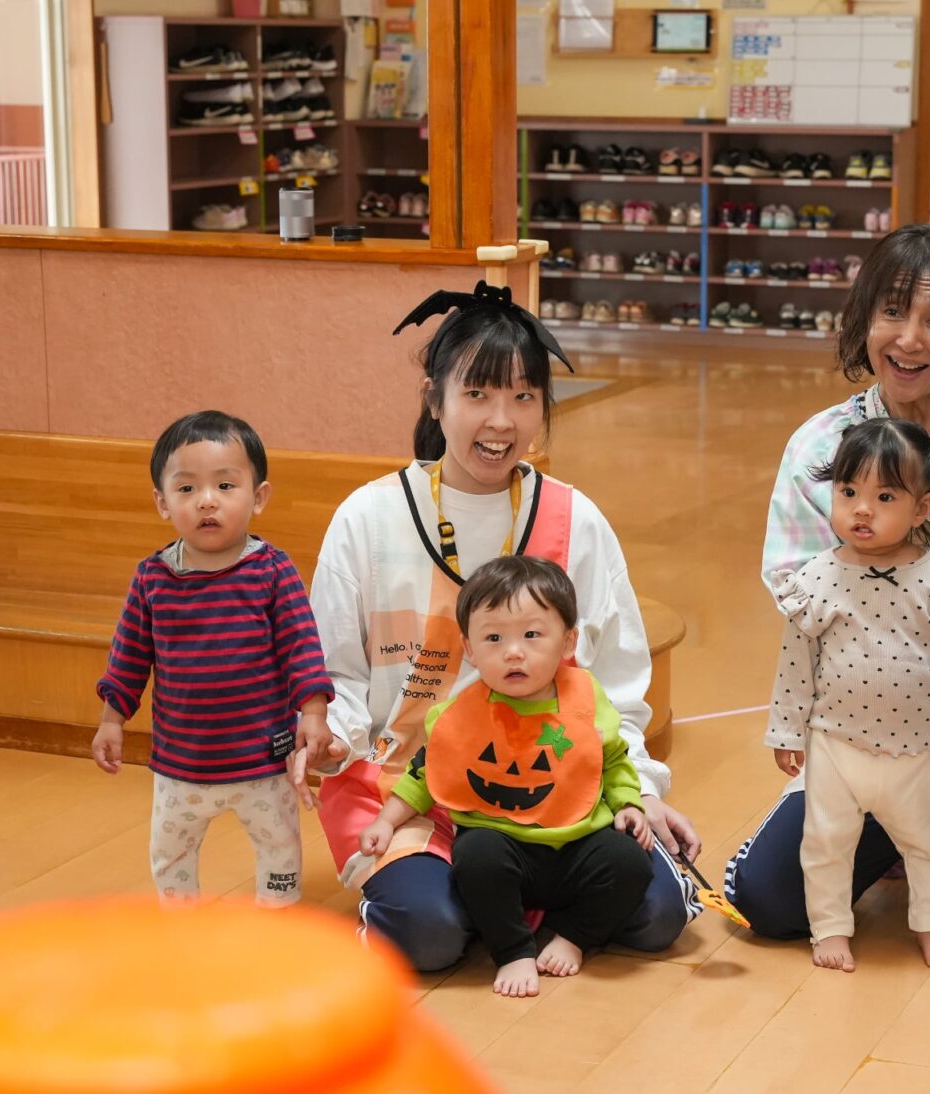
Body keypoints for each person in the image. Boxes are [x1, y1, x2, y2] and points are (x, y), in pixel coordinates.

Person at [304, 281, 701, 971]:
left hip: (558, 794)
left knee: (656, 915)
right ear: (434, 401)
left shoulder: (575, 518)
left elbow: (617, 688)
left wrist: (641, 791)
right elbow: (335, 669)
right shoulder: (368, 518)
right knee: (431, 936)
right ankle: (472, 904)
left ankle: (514, 906)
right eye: (478, 394)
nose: (501, 420)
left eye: (523, 396)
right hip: (407, 791)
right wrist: (330, 738)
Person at [729, 223, 930, 951]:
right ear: (864, 318)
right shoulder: (823, 447)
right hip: (872, 743)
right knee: (768, 903)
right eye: (893, 312)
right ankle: (890, 844)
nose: (908, 340)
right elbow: (794, 588)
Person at [360, 557, 654, 997]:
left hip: (578, 843)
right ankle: (513, 949)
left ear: (568, 641)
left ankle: (574, 936)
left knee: (629, 861)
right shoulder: (461, 715)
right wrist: (386, 822)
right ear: (470, 649)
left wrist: (629, 803)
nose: (513, 652)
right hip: (502, 846)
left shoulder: (586, 700)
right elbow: (424, 775)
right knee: (476, 855)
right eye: (494, 638)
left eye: (532, 635)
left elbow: (612, 761)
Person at [766, 419, 930, 972]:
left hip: (917, 750)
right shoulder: (816, 578)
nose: (861, 509)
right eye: (848, 492)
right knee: (826, 843)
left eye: (885, 497)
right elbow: (796, 662)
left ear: (922, 508)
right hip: (835, 745)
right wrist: (786, 730)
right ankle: (830, 926)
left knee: (929, 843)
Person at [92, 410, 334, 907]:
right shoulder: (152, 578)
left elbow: (302, 647)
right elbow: (128, 656)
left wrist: (314, 712)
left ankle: (278, 916)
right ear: (162, 502)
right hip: (180, 763)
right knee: (170, 854)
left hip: (263, 760)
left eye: (225, 486)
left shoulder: (272, 571)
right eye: (187, 488)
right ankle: (184, 926)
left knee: (279, 847)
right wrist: (112, 720)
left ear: (258, 497)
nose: (206, 500)